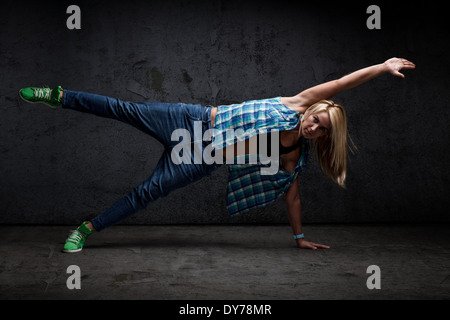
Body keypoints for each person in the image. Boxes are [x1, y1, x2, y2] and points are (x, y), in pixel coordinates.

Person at [19, 57, 415, 253]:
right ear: (312, 110)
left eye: (321, 129)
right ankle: (60, 96)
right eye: (316, 119)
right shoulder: (296, 103)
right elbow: (344, 82)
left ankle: (84, 230)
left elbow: (292, 195)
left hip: (199, 157)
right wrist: (382, 67)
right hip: (191, 119)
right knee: (124, 108)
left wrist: (299, 237)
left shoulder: (292, 154)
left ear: (322, 136)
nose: (313, 126)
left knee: (145, 195)